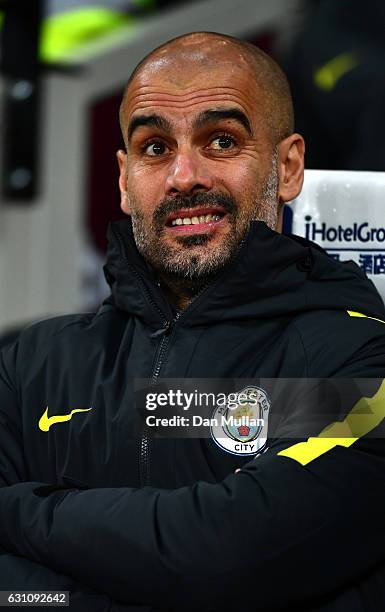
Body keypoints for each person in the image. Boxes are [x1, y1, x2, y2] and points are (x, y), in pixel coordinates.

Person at [0, 31, 385, 612]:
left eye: (221, 140)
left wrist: (21, 521)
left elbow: (228, 555)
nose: (184, 176)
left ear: (287, 167)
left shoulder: (358, 361)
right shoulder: (33, 364)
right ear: (125, 180)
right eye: (155, 148)